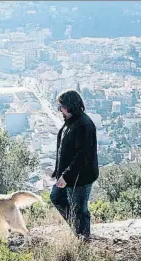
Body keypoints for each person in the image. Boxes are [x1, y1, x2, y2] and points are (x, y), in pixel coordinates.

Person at [50, 89, 99, 242]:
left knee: (79, 209)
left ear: (70, 106)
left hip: (80, 177)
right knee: (56, 197)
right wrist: (58, 171)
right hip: (68, 175)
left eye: (61, 106)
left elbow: (82, 156)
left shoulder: (84, 125)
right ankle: (77, 228)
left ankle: (83, 239)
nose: (59, 109)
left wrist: (66, 175)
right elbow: (65, 150)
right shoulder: (71, 121)